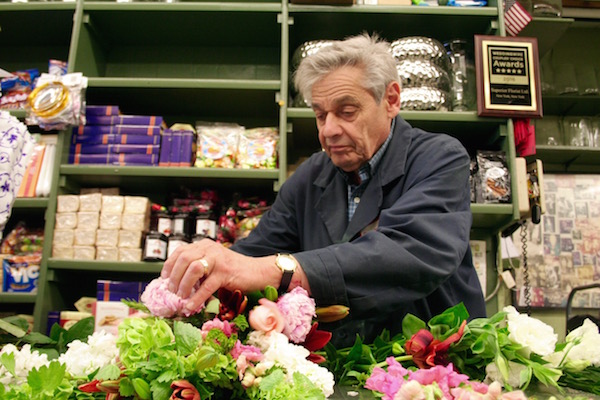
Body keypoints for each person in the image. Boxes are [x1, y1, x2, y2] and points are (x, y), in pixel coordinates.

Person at [161, 33, 486, 347]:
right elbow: (255, 253)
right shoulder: (311, 175)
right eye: (320, 115)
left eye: (347, 112)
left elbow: (407, 253)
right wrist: (208, 270)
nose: (329, 130)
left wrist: (274, 271)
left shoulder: (439, 157)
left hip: (434, 365)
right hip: (341, 366)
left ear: (391, 100)